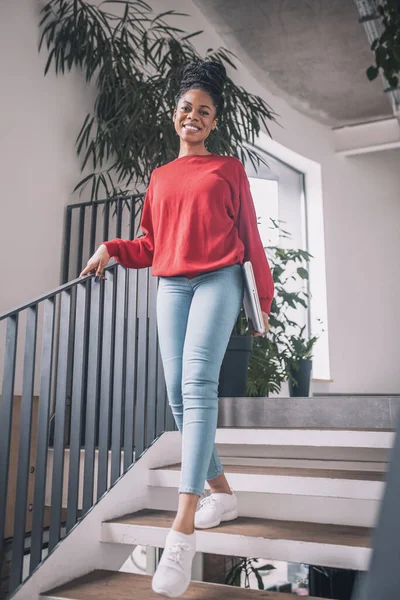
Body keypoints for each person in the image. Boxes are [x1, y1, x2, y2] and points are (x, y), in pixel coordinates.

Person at [80, 60, 274, 598]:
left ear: (212, 123)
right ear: (175, 115)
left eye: (204, 112)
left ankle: (182, 530)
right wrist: (111, 249)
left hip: (218, 280)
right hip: (170, 283)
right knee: (177, 397)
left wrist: (263, 295)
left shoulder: (229, 169)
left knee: (197, 385)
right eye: (187, 108)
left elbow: (250, 237)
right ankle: (223, 494)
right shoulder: (160, 177)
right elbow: (150, 244)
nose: (194, 116)